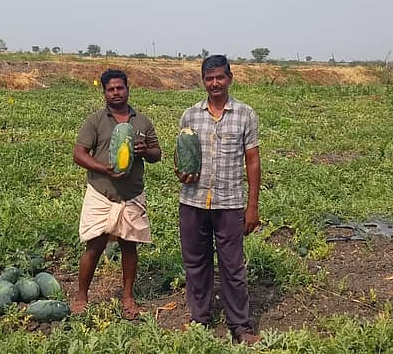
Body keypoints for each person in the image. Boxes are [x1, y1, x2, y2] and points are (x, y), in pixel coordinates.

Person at [176, 55, 261, 344]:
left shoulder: (245, 114)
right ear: (203, 80)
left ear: (229, 78)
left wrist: (252, 206)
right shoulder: (190, 115)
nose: (215, 83)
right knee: (196, 264)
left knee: (233, 267)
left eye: (220, 77)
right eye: (209, 78)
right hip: (193, 201)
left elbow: (252, 161)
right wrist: (180, 171)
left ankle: (240, 327)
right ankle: (199, 319)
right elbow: (181, 154)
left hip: (229, 202)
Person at [72, 69, 162, 319]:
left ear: (127, 89)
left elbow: (157, 154)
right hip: (101, 193)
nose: (116, 93)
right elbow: (79, 154)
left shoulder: (142, 122)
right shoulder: (95, 121)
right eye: (110, 89)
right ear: (104, 93)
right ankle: (81, 296)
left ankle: (128, 297)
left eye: (120, 88)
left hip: (132, 194)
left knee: (129, 247)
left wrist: (145, 151)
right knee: (94, 245)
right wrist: (104, 169)